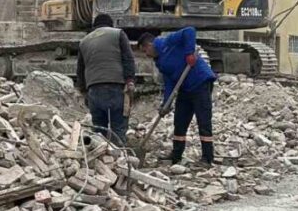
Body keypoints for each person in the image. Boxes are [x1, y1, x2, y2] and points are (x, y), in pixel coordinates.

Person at [139, 26, 216, 165]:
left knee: (203, 121)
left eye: (145, 51)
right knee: (180, 122)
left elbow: (190, 31)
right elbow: (169, 83)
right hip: (185, 89)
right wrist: (166, 104)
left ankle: (207, 157)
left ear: (149, 45)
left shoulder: (169, 41)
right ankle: (176, 155)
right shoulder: (160, 62)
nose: (146, 55)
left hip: (200, 82)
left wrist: (189, 53)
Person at [75, 13, 136, 145]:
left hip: (93, 89)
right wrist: (130, 80)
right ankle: (120, 159)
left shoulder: (84, 41)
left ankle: (101, 161)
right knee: (118, 129)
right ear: (110, 24)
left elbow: (80, 70)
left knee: (98, 130)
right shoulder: (118, 33)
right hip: (116, 86)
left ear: (94, 26)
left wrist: (84, 91)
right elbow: (128, 58)